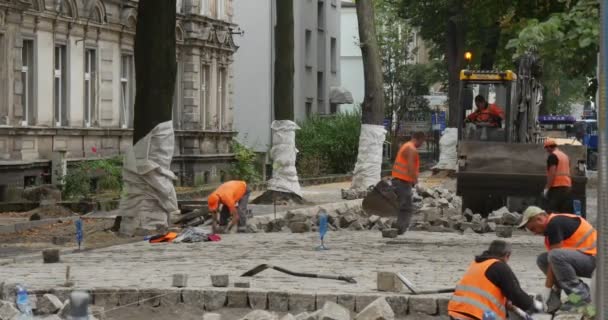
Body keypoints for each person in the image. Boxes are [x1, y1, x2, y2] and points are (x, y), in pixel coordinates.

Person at [519, 206, 596, 311]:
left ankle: (581, 299)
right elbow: (552, 263)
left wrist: (547, 289)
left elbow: (554, 258)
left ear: (539, 219)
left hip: (597, 260)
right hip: (587, 259)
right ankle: (568, 298)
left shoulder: (554, 224)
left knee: (555, 256)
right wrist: (553, 288)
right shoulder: (554, 224)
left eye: (533, 228)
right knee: (542, 259)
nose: (535, 233)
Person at [448, 240, 544, 320]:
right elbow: (516, 293)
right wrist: (537, 307)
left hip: (456, 311)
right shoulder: (499, 266)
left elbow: (487, 288)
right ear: (507, 255)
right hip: (476, 315)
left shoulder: (477, 264)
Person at [391, 131, 425, 235]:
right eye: (423, 141)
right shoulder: (411, 149)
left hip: (400, 181)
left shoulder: (406, 146)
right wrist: (416, 183)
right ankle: (399, 229)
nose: (422, 144)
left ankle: (398, 228)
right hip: (402, 182)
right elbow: (411, 168)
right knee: (406, 207)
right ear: (419, 139)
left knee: (404, 206)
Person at [543, 139, 573, 213]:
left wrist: (547, 188)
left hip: (557, 186)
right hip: (567, 186)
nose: (547, 151)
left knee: (551, 210)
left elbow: (552, 173)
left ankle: (554, 223)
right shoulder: (565, 156)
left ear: (549, 147)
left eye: (546, 148)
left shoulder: (553, 156)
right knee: (563, 210)